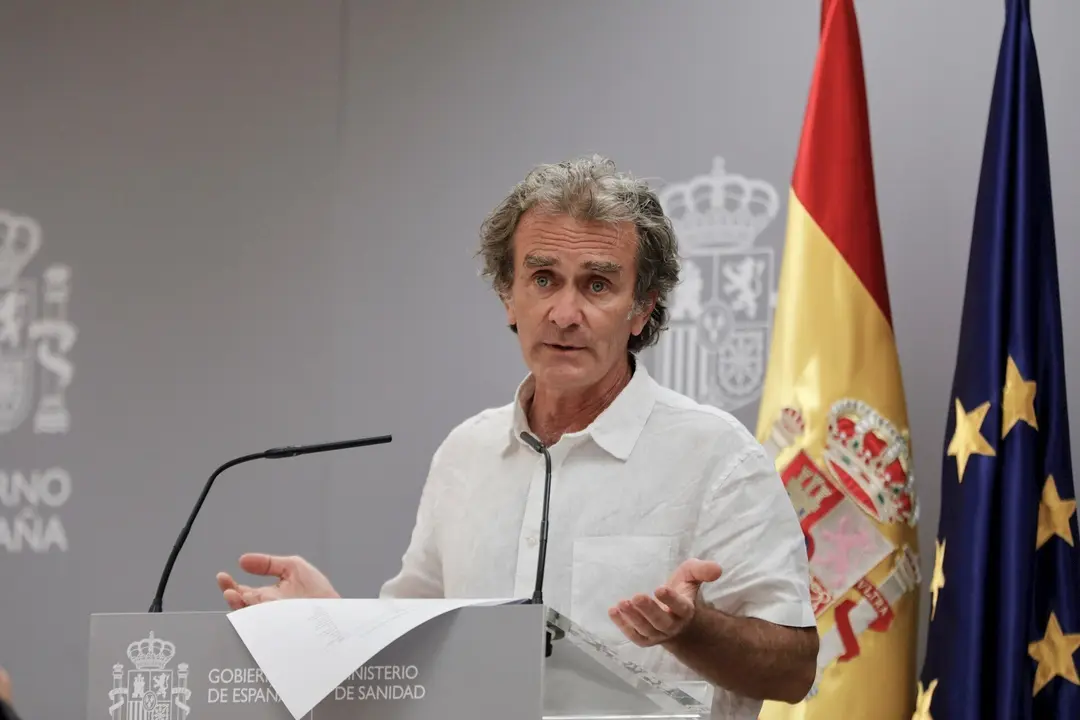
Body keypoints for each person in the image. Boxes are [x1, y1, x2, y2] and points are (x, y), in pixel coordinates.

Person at [217, 155, 818, 718]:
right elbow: (416, 649)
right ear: (509, 296)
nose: (563, 312)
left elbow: (793, 670)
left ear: (642, 311)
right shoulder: (466, 453)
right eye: (543, 279)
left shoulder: (716, 456)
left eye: (598, 285)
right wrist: (330, 619)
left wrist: (692, 630)